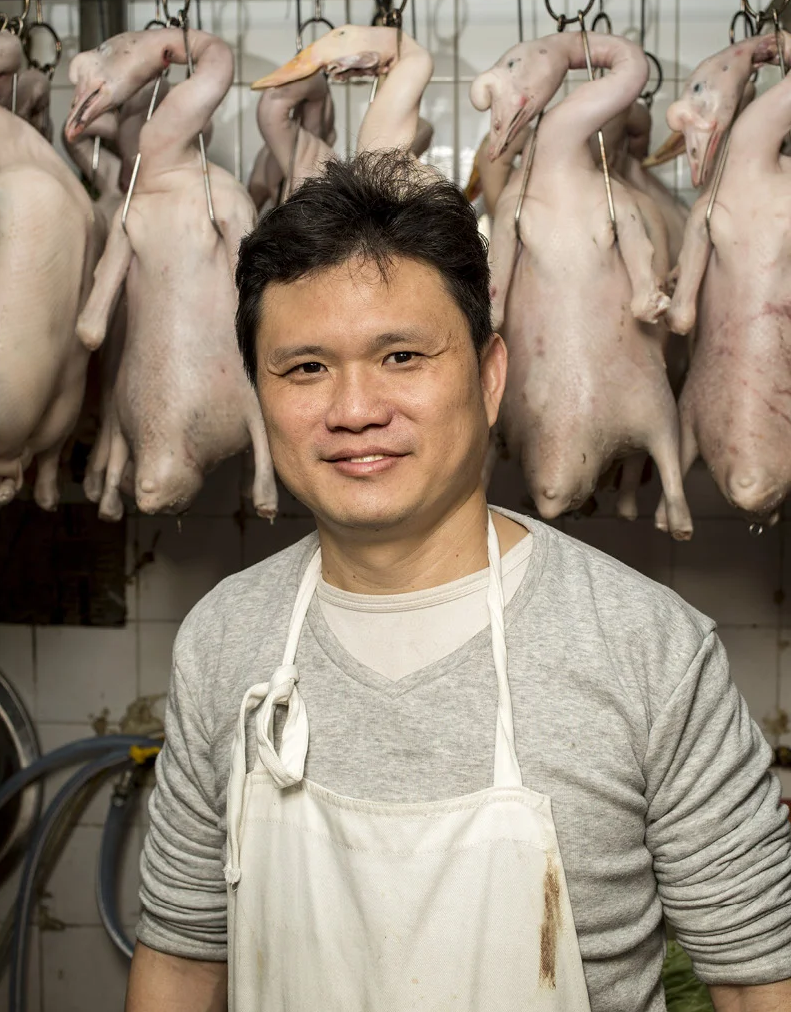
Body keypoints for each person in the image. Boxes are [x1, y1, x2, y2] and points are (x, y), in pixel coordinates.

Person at [127, 152, 791, 1012]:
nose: (355, 409)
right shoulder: (223, 639)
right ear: (258, 390)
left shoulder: (647, 649)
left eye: (402, 355)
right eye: (305, 368)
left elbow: (758, 984)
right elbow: (181, 965)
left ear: (489, 375)